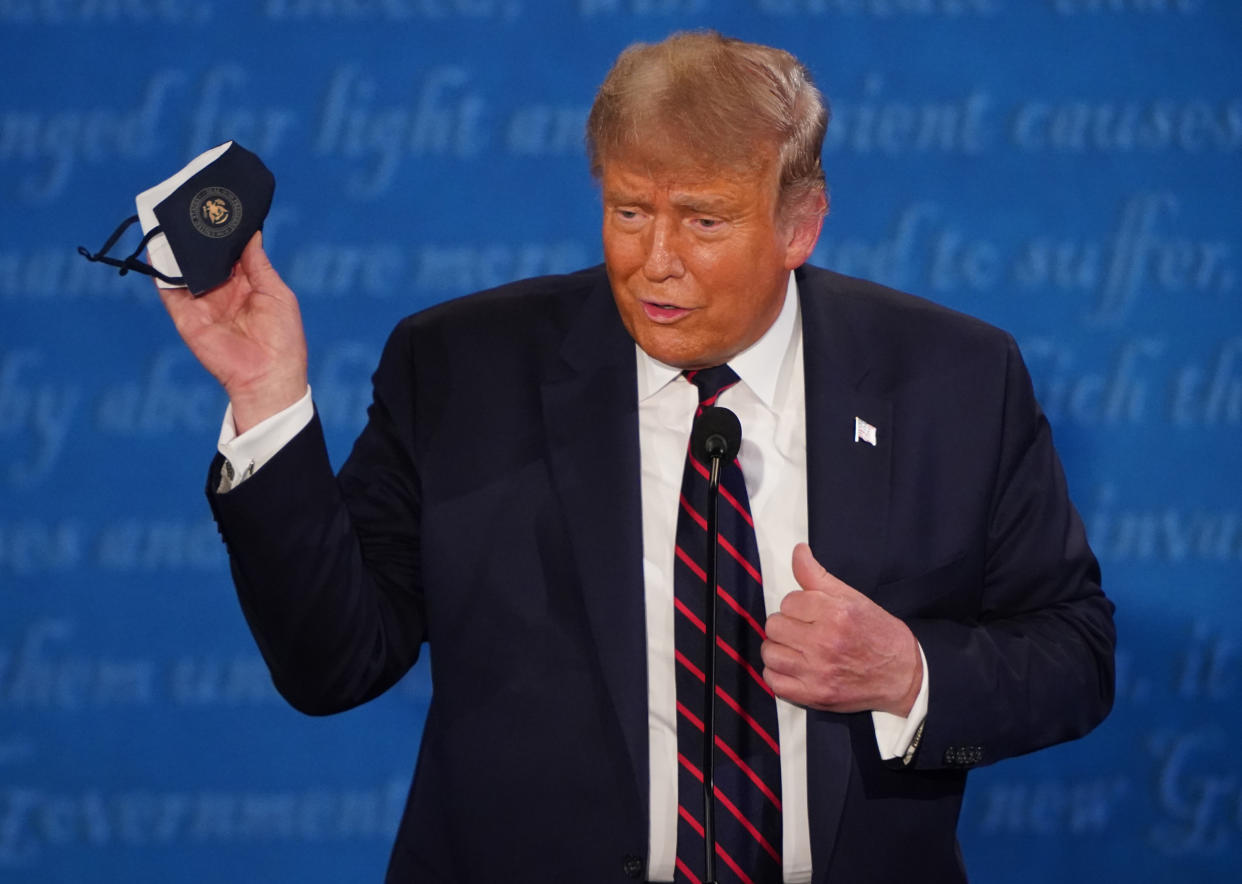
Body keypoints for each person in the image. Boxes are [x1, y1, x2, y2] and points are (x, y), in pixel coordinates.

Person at [158, 31, 1115, 884]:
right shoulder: (461, 370)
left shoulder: (954, 379)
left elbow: (1074, 651)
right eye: (628, 212)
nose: (655, 261)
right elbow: (335, 665)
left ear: (799, 224)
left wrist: (909, 672)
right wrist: (267, 398)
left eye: (703, 220)